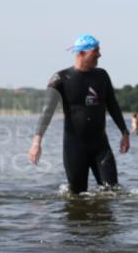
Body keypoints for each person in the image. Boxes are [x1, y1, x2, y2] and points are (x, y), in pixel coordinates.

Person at [28, 34, 130, 193]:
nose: (99, 55)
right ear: (82, 53)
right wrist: (36, 143)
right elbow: (47, 112)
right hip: (75, 147)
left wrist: (125, 132)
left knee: (112, 191)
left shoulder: (102, 76)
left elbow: (113, 105)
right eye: (95, 51)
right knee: (77, 194)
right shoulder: (60, 79)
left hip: (101, 146)